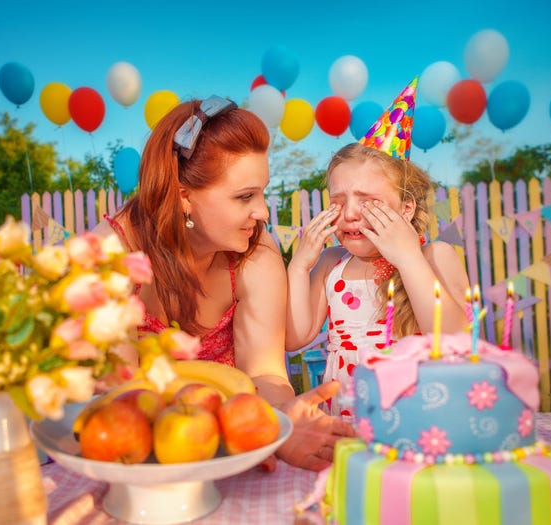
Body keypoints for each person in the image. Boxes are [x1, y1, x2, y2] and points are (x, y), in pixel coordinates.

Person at [93, 95, 354, 471]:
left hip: (233, 454)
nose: (263, 211)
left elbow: (264, 372)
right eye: (245, 196)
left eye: (262, 192)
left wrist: (280, 423)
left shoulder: (257, 250)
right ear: (184, 197)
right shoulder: (112, 253)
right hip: (133, 456)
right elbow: (118, 394)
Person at [285, 142, 470, 419]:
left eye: (368, 201)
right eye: (338, 201)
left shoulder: (433, 257)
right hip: (347, 417)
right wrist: (299, 266)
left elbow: (455, 340)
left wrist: (408, 258)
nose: (349, 214)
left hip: (418, 419)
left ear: (406, 209)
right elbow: (294, 337)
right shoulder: (330, 263)